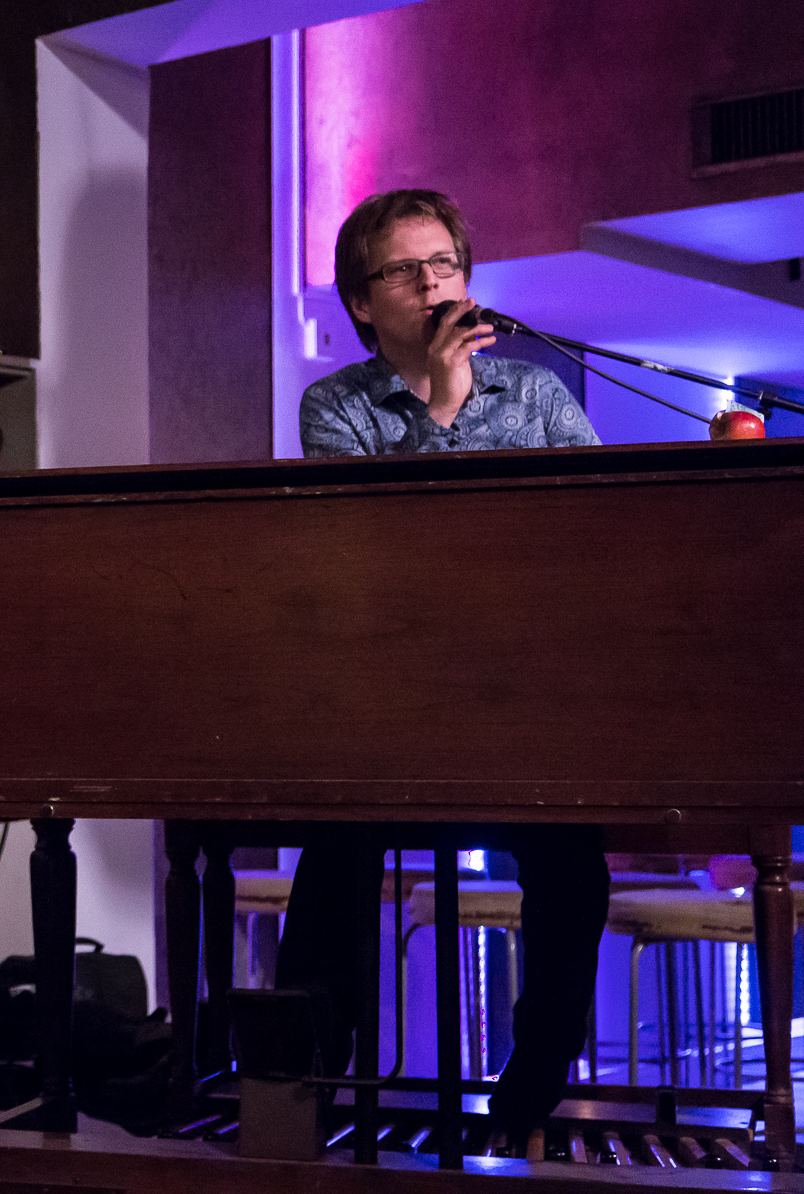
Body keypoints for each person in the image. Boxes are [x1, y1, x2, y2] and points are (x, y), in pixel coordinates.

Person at [279, 189, 609, 1149]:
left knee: (573, 864)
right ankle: (304, 1094)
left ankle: (527, 1100)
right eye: (403, 270)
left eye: (445, 266)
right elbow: (378, 550)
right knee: (332, 856)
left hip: (525, 705)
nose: (431, 284)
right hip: (391, 708)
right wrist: (443, 407)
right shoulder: (335, 407)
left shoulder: (539, 396)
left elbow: (603, 531)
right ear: (360, 301)